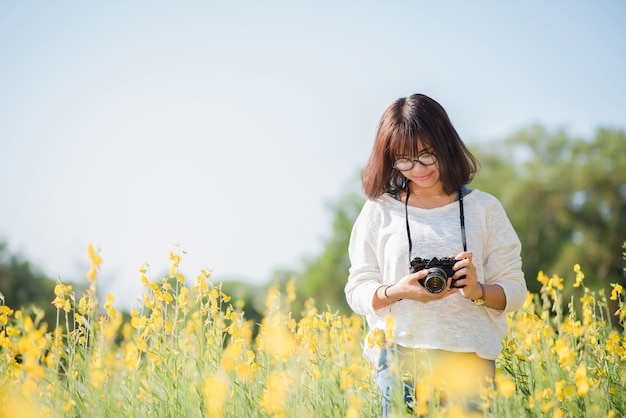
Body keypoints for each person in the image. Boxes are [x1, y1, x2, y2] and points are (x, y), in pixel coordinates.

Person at [344, 93, 527, 415]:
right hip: (399, 354)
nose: (417, 169)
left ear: (445, 143)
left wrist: (478, 290)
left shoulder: (484, 209)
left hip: (470, 358)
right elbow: (357, 288)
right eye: (403, 160)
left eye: (426, 155)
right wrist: (396, 292)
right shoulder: (379, 211)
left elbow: (515, 290)